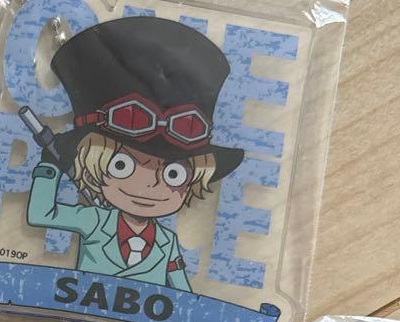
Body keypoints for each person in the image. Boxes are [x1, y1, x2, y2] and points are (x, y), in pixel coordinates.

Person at [26, 16, 244, 291]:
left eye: (173, 174)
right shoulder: (94, 221)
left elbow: (182, 294)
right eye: (122, 165)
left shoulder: (166, 243)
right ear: (94, 167)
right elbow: (42, 214)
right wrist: (50, 166)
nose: (150, 185)